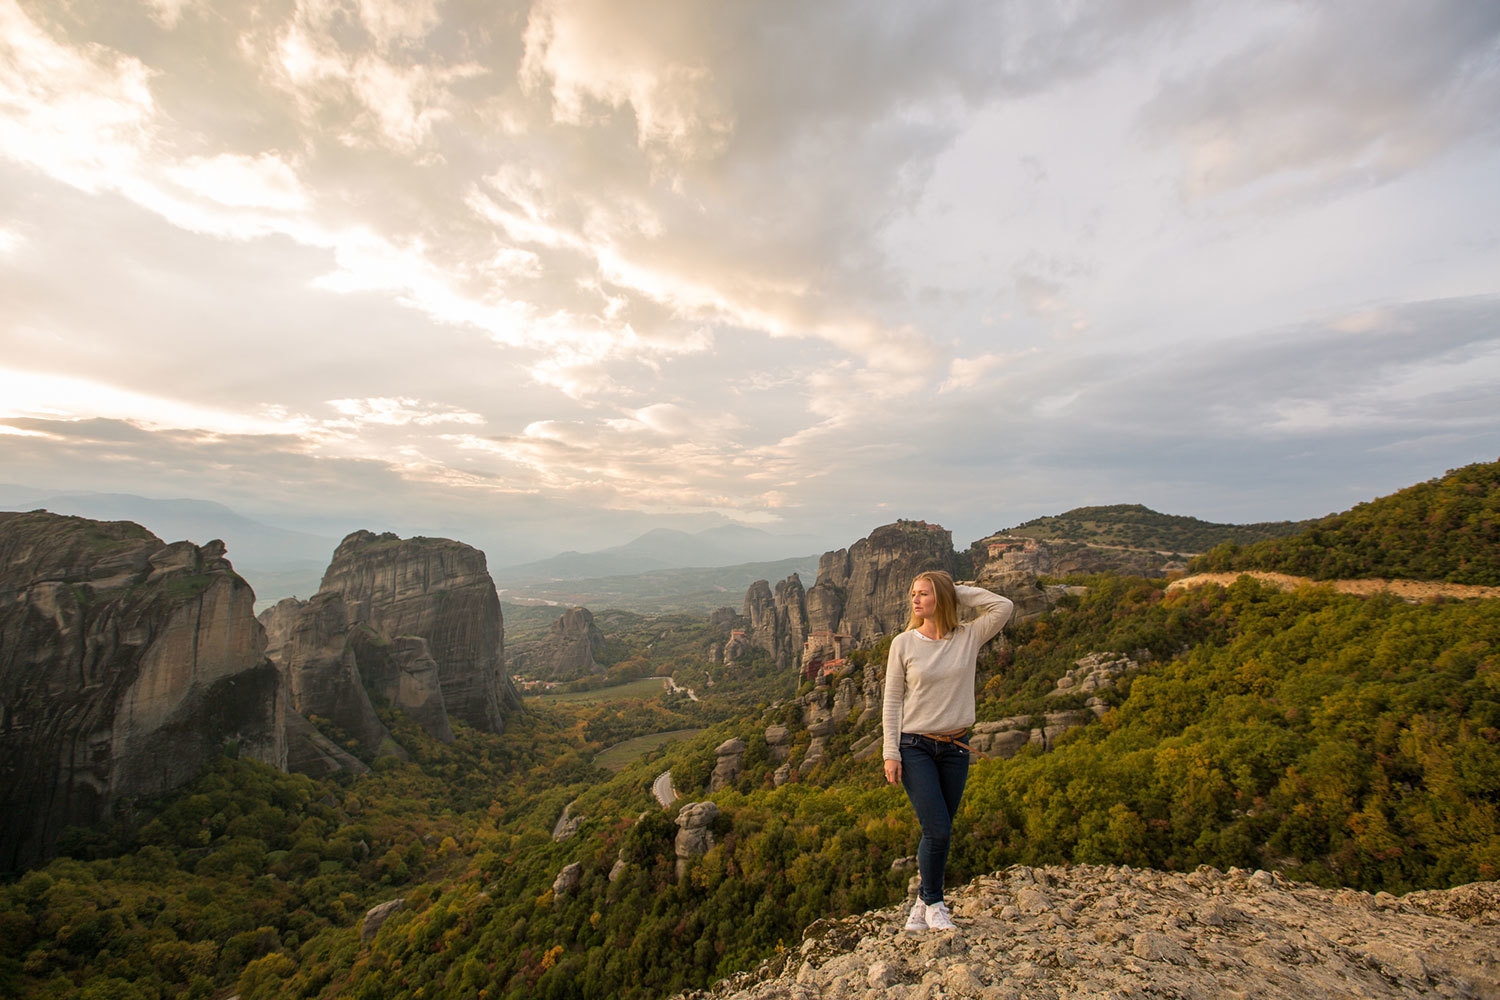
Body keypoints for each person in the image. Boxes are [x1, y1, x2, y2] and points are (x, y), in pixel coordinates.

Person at [882, 570, 1014, 931]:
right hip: (914, 746)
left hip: (956, 747)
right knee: (937, 828)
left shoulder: (968, 637)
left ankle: (921, 901)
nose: (915, 600)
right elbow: (892, 700)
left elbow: (1003, 606)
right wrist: (889, 752)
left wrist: (955, 590)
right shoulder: (903, 643)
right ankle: (935, 903)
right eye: (913, 594)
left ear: (940, 598)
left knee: (938, 830)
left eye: (923, 593)